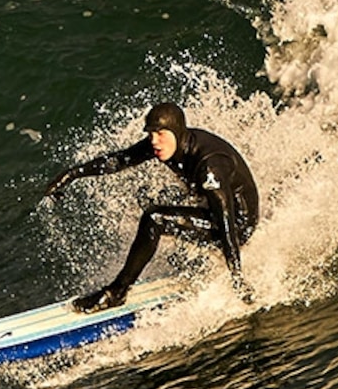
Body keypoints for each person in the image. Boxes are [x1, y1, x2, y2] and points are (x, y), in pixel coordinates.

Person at [43, 100, 259, 312]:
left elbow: (225, 219)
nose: (154, 141)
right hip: (210, 206)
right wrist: (70, 175)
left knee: (155, 218)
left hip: (238, 224)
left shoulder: (209, 167)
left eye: (160, 134)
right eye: (151, 134)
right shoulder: (170, 143)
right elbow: (119, 161)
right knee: (150, 198)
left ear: (176, 132)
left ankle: (116, 292)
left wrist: (237, 277)